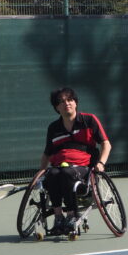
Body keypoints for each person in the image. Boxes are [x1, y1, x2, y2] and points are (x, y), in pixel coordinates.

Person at [39, 87, 111, 235]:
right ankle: (58, 217)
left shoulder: (89, 120)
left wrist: (101, 163)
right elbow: (47, 154)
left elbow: (106, 144)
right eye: (61, 101)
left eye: (70, 100)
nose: (66, 103)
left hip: (84, 168)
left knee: (67, 173)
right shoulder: (53, 128)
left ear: (75, 103)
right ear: (57, 107)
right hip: (59, 166)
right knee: (52, 174)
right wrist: (41, 174)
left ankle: (72, 215)